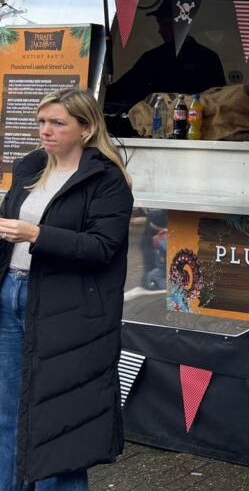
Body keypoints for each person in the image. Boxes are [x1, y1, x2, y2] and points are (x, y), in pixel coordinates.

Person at [0, 88, 134, 490]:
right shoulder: (29, 167)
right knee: (9, 414)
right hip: (12, 297)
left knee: (60, 422)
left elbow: (102, 247)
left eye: (57, 123)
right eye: (42, 122)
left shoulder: (107, 180)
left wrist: (37, 234)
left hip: (69, 308)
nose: (46, 131)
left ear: (86, 127)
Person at [105, 0, 226, 115]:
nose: (160, 30)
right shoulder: (151, 58)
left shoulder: (208, 59)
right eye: (160, 25)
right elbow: (125, 87)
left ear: (182, 26)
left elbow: (219, 99)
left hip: (198, 126)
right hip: (156, 125)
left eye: (166, 25)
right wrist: (98, 95)